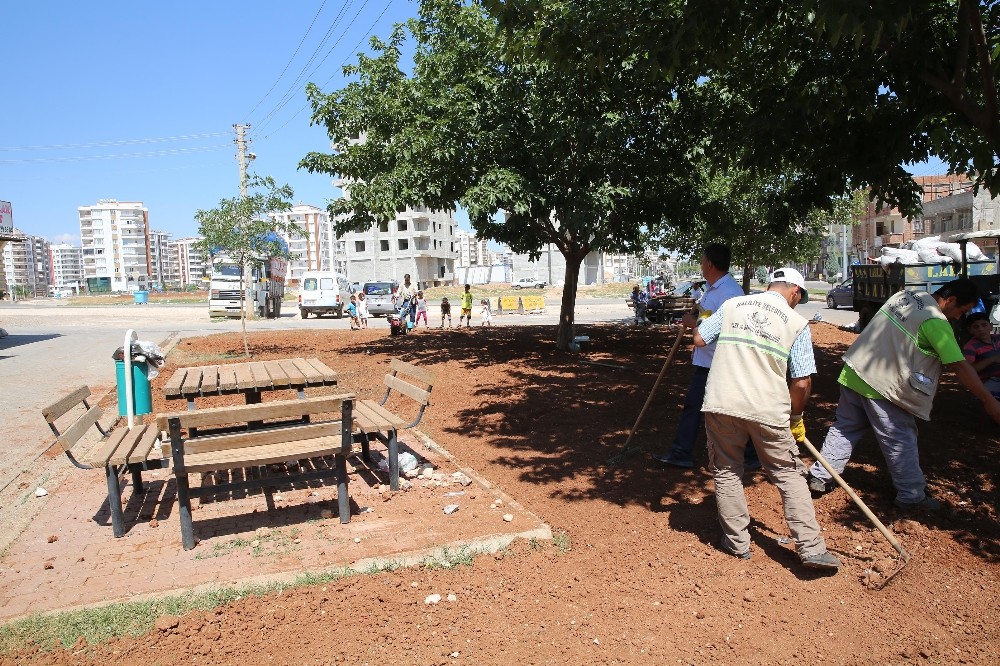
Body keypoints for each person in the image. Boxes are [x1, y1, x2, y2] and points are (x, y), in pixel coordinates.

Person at [808, 279, 1000, 511]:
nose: (959, 317)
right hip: (884, 385)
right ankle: (911, 495)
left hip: (855, 370)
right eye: (962, 310)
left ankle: (820, 476)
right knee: (900, 438)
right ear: (950, 300)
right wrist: (988, 399)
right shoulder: (935, 321)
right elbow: (959, 366)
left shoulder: (906, 297)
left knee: (845, 427)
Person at [695, 267, 840, 569]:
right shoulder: (797, 323)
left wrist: (700, 316)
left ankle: (736, 542)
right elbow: (802, 382)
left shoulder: (733, 305)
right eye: (799, 298)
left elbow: (699, 338)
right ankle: (811, 549)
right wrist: (796, 417)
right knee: (789, 475)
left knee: (726, 469)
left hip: (723, 402)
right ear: (795, 292)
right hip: (768, 409)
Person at [652, 244, 759, 469]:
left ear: (710, 263)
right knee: (705, 406)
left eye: (702, 261)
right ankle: (747, 455)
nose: (700, 265)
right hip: (708, 359)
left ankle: (748, 455)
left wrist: (695, 324)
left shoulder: (730, 294)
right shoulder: (713, 288)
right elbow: (709, 317)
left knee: (726, 409)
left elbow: (730, 329)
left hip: (721, 363)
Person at [962, 311, 1000, 399]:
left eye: (984, 325)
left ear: (990, 326)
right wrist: (992, 359)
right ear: (970, 330)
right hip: (988, 381)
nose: (981, 329)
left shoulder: (998, 338)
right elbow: (969, 369)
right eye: (976, 327)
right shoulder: (970, 346)